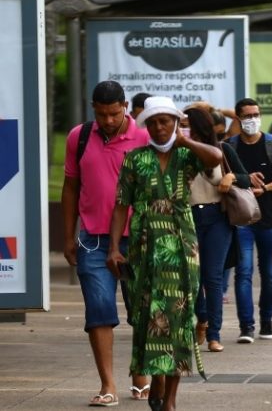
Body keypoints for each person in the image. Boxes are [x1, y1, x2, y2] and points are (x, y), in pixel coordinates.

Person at [107, 96, 223, 411]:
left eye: (166, 121)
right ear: (146, 126)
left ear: (175, 123)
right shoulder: (134, 159)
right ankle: (156, 379)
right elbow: (120, 207)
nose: (160, 127)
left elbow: (216, 157)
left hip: (182, 249)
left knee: (180, 318)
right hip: (144, 249)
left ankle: (170, 399)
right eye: (154, 122)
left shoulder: (187, 155)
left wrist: (184, 139)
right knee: (147, 319)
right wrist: (114, 248)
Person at [61, 80, 150, 406]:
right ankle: (108, 384)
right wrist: (68, 236)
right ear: (93, 110)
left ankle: (140, 371)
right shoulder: (79, 136)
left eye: (114, 113)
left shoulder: (144, 137)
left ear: (125, 107)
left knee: (141, 310)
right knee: (98, 311)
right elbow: (70, 187)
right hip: (92, 241)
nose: (109, 121)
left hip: (137, 239)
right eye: (102, 115)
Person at [181, 107, 251, 353]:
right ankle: (202, 319)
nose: (183, 130)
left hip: (217, 217)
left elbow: (245, 177)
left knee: (213, 276)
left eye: (187, 125)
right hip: (187, 216)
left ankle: (214, 334)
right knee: (193, 276)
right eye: (181, 125)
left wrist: (231, 178)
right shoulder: (178, 151)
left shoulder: (221, 149)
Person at [228, 98, 272, 343]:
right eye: (247, 116)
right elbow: (222, 177)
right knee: (243, 272)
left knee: (269, 273)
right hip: (242, 218)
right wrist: (242, 178)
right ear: (238, 119)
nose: (252, 119)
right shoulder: (230, 146)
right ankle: (247, 326)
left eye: (256, 114)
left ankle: (267, 321)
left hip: (270, 219)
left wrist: (266, 188)